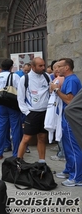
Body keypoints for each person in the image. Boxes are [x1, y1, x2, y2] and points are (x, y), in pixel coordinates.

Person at [50, 58, 82, 187]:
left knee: (74, 148)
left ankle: (77, 177)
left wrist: (56, 90)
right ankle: (69, 170)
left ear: (67, 68)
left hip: (71, 119)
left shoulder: (72, 80)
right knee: (67, 147)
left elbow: (70, 100)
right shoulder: (68, 79)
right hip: (65, 117)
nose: (56, 69)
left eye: (59, 67)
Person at [16, 57, 50, 163]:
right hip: (32, 113)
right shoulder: (24, 79)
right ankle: (18, 162)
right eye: (40, 66)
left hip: (45, 112)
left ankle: (42, 162)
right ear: (33, 66)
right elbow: (20, 98)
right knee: (26, 138)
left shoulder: (47, 76)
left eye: (44, 65)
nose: (43, 67)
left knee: (42, 137)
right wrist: (27, 112)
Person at [0, 58, 23, 160]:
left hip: (1, 104)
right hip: (12, 104)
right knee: (15, 129)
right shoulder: (15, 76)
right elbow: (20, 89)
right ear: (11, 67)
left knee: (1, 128)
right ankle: (16, 153)